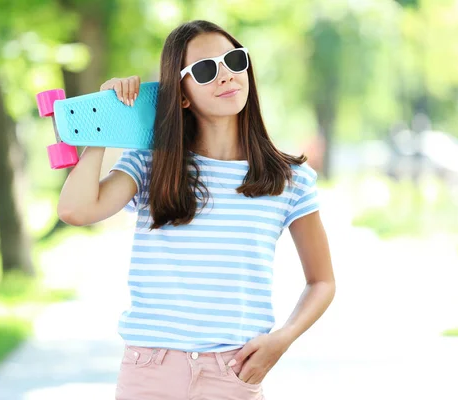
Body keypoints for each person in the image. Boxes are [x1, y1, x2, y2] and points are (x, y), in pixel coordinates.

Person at [57, 19, 335, 400]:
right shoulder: (153, 165)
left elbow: (322, 282)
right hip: (149, 373)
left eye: (234, 61)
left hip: (233, 374)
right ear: (182, 94)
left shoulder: (291, 179)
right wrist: (106, 122)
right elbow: (76, 210)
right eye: (205, 70)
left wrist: (281, 340)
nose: (225, 76)